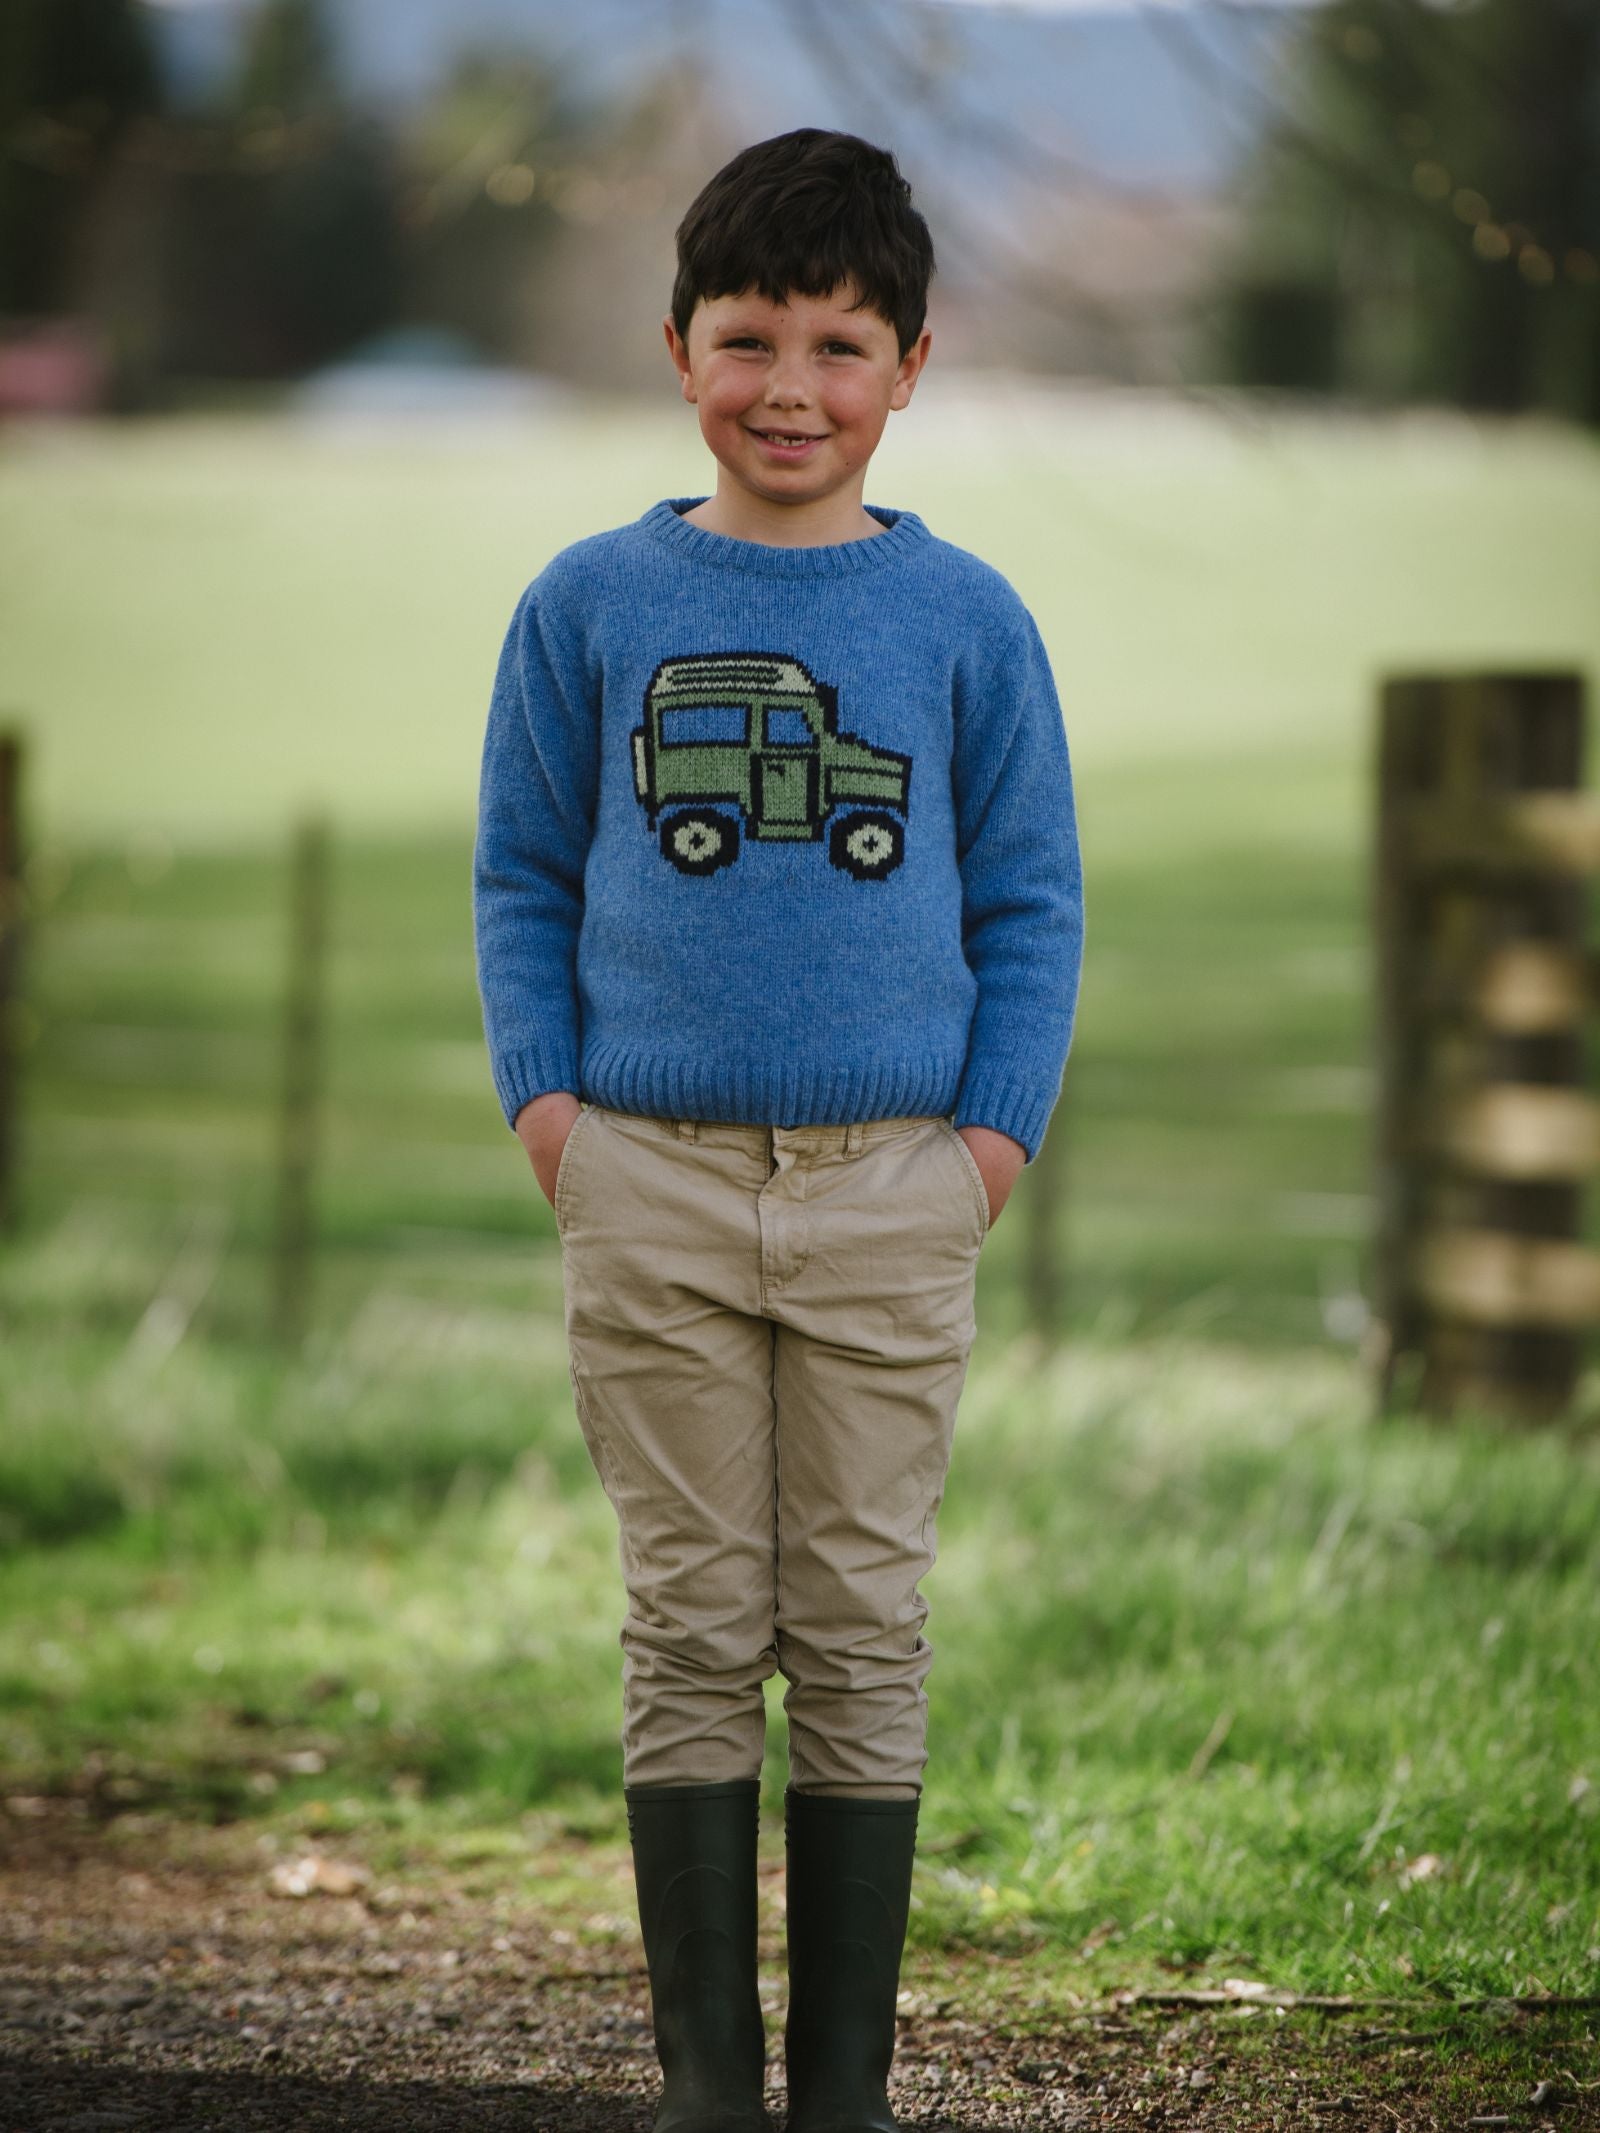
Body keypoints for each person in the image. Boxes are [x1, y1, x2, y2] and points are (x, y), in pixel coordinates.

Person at [473, 126, 1084, 2133]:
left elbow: (1027, 899)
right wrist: (555, 1109)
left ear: (912, 361)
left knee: (855, 1610)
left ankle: (840, 2095)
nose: (790, 387)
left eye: (839, 341)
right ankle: (706, 2095)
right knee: (690, 1610)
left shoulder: (966, 621)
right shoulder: (591, 603)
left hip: (897, 1190)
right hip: (642, 1178)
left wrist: (984, 1144)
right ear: (676, 350)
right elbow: (516, 874)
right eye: (748, 337)